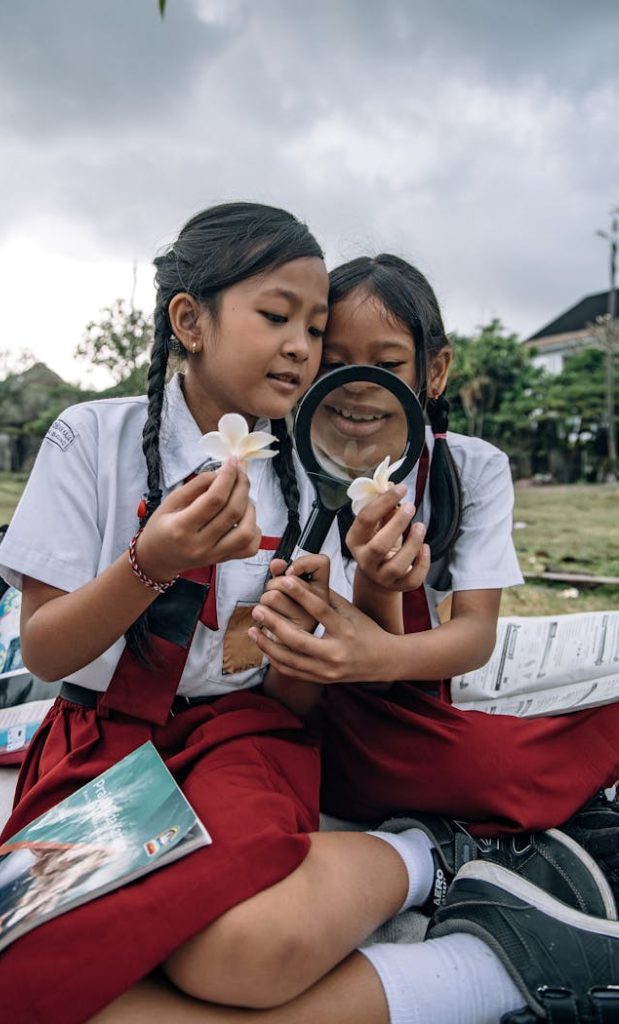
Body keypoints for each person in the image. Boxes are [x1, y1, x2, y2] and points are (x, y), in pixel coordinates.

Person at [68, 253, 619, 1023]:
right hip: (307, 704)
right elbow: (263, 664)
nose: (358, 385)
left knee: (514, 758)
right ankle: (446, 850)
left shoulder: (472, 468)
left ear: (432, 373)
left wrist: (376, 642)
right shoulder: (277, 467)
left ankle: (461, 851)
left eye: (387, 364)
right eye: (336, 362)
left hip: (403, 694)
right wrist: (321, 634)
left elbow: (472, 639)